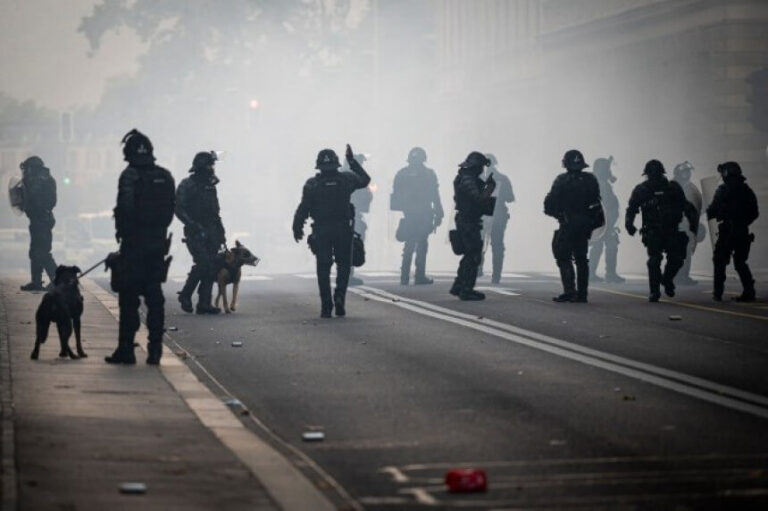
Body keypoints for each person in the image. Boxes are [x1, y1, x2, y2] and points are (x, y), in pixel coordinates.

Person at [106, 129, 175, 365]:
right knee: (155, 298)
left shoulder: (129, 176)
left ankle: (126, 349)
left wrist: (125, 234)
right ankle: (155, 349)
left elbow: (124, 209)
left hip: (134, 247)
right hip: (157, 246)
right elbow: (169, 213)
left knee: (129, 300)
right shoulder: (165, 176)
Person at [293, 145, 370, 318]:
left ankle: (326, 305)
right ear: (336, 164)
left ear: (319, 166)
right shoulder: (346, 179)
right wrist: (352, 161)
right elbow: (365, 179)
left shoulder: (312, 184)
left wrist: (297, 227)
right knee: (343, 266)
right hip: (343, 229)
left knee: (323, 268)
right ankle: (340, 296)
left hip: (322, 231)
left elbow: (303, 208)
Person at [625, 159, 698, 302]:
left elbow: (686, 206)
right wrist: (629, 224)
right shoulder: (642, 189)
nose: (654, 178)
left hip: (672, 229)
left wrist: (693, 224)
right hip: (653, 230)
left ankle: (666, 279)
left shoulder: (673, 188)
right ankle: (654, 291)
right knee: (654, 261)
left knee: (677, 259)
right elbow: (632, 208)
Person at [544, 150, 603, 303]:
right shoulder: (591, 179)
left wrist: (559, 214)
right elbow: (597, 203)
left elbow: (549, 204)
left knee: (563, 256)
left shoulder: (562, 180)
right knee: (581, 258)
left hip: (568, 223)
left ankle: (570, 290)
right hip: (585, 224)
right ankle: (582, 294)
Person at [175, 151, 226, 314]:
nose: (212, 168)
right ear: (202, 167)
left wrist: (221, 232)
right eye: (210, 165)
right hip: (195, 232)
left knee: (212, 267)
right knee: (203, 263)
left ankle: (204, 303)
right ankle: (185, 295)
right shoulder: (187, 185)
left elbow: (215, 212)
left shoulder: (210, 186)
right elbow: (179, 208)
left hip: (212, 232)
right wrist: (193, 225)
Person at [706, 161, 759, 302]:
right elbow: (754, 213)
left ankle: (718, 293)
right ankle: (749, 292)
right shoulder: (747, 190)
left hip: (727, 232)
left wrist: (710, 213)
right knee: (740, 262)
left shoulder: (723, 190)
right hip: (742, 231)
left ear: (727, 173)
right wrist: (743, 223)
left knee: (719, 261)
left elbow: (712, 210)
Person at [390, 147, 444, 285]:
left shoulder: (402, 173)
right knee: (422, 244)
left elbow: (395, 195)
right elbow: (434, 195)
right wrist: (439, 212)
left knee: (409, 244)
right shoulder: (429, 174)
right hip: (424, 213)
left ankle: (404, 276)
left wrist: (406, 207)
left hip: (409, 214)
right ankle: (419, 275)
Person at [451, 151, 496, 301]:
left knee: (469, 254)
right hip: (468, 220)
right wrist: (489, 188)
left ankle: (459, 285)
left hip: (467, 219)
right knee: (474, 255)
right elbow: (478, 198)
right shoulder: (468, 179)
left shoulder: (466, 178)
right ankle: (466, 289)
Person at [19, 156, 58, 291]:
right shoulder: (36, 180)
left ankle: (58, 281)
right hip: (37, 220)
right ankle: (36, 282)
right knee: (35, 251)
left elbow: (46, 201)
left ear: (33, 168)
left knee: (43, 252)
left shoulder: (43, 180)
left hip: (42, 220)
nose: (26, 172)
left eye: (28, 169)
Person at [478, 153, 515, 284]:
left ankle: (478, 269)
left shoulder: (478, 178)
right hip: (498, 216)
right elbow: (510, 198)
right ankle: (496, 276)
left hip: (481, 215)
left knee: (478, 242)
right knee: (497, 245)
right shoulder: (502, 179)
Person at [588, 156, 625, 283]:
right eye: (607, 168)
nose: (609, 171)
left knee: (609, 246)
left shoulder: (602, 183)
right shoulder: (598, 184)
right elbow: (604, 206)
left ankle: (605, 274)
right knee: (601, 246)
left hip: (605, 222)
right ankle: (597, 274)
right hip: (602, 222)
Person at [672, 161, 704, 286]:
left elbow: (697, 204)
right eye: (685, 172)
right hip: (676, 225)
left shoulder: (691, 188)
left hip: (687, 225)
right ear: (679, 173)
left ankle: (683, 276)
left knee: (687, 252)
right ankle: (676, 276)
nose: (688, 174)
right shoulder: (672, 187)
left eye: (689, 172)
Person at [344, 153, 373, 286]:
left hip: (338, 217)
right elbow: (365, 196)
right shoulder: (354, 177)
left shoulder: (339, 174)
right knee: (352, 245)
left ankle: (345, 275)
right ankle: (348, 275)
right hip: (351, 216)